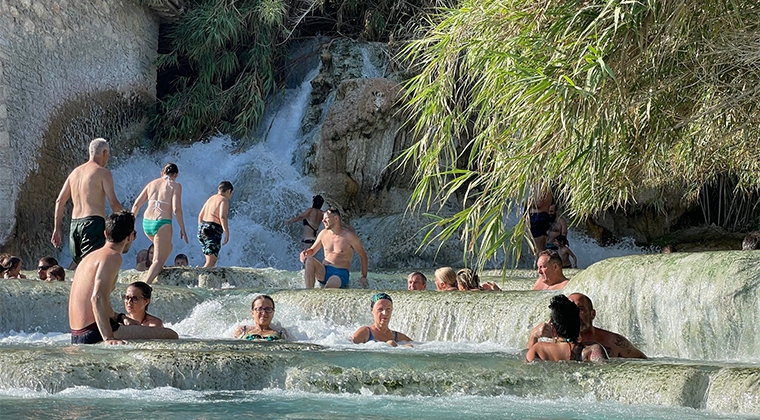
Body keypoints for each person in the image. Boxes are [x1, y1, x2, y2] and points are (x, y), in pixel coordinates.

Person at [68, 211, 178, 344]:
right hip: (94, 331)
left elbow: (98, 301)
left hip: (77, 333)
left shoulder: (89, 257)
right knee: (170, 334)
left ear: (105, 234)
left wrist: (120, 317)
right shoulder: (113, 256)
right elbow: (97, 298)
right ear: (130, 237)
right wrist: (108, 338)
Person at [52, 138, 124, 269]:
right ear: (105, 152)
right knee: (93, 266)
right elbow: (113, 202)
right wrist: (126, 218)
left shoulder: (75, 173)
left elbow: (59, 201)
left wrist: (57, 228)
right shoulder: (103, 172)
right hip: (93, 223)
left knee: (80, 264)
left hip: (75, 226)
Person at [527, 292, 646, 358]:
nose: (575, 314)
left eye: (580, 309)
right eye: (570, 310)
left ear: (592, 314)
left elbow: (643, 362)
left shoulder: (614, 341)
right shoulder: (554, 342)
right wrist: (534, 336)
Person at [131, 163, 188, 284]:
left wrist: (131, 224)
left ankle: (155, 273)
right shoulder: (175, 185)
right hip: (162, 223)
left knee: (168, 248)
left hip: (147, 223)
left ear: (162, 173)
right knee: (158, 260)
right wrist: (182, 228)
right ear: (176, 175)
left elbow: (136, 205)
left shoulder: (152, 183)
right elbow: (176, 208)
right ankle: (144, 286)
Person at [525, 294, 608, 362]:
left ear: (553, 329)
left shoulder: (539, 349)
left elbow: (525, 370)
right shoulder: (592, 349)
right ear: (578, 325)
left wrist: (534, 336)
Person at [300, 208, 369, 289]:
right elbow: (312, 251)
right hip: (324, 270)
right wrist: (305, 253)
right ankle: (309, 292)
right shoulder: (323, 233)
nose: (323, 221)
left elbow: (363, 256)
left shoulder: (349, 237)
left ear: (336, 218)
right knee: (310, 260)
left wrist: (364, 276)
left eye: (326, 218)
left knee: (329, 287)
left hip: (340, 273)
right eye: (323, 218)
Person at [197, 180, 233, 267]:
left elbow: (200, 215)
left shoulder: (211, 199)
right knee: (211, 262)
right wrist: (226, 232)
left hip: (202, 228)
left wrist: (201, 229)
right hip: (212, 229)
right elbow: (222, 216)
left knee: (211, 260)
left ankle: (206, 278)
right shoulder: (224, 200)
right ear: (229, 191)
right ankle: (200, 278)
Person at [528, 185, 553, 253]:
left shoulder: (540, 185)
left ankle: (541, 263)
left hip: (537, 217)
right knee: (541, 247)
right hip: (542, 216)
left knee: (538, 249)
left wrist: (528, 201)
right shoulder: (547, 187)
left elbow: (538, 203)